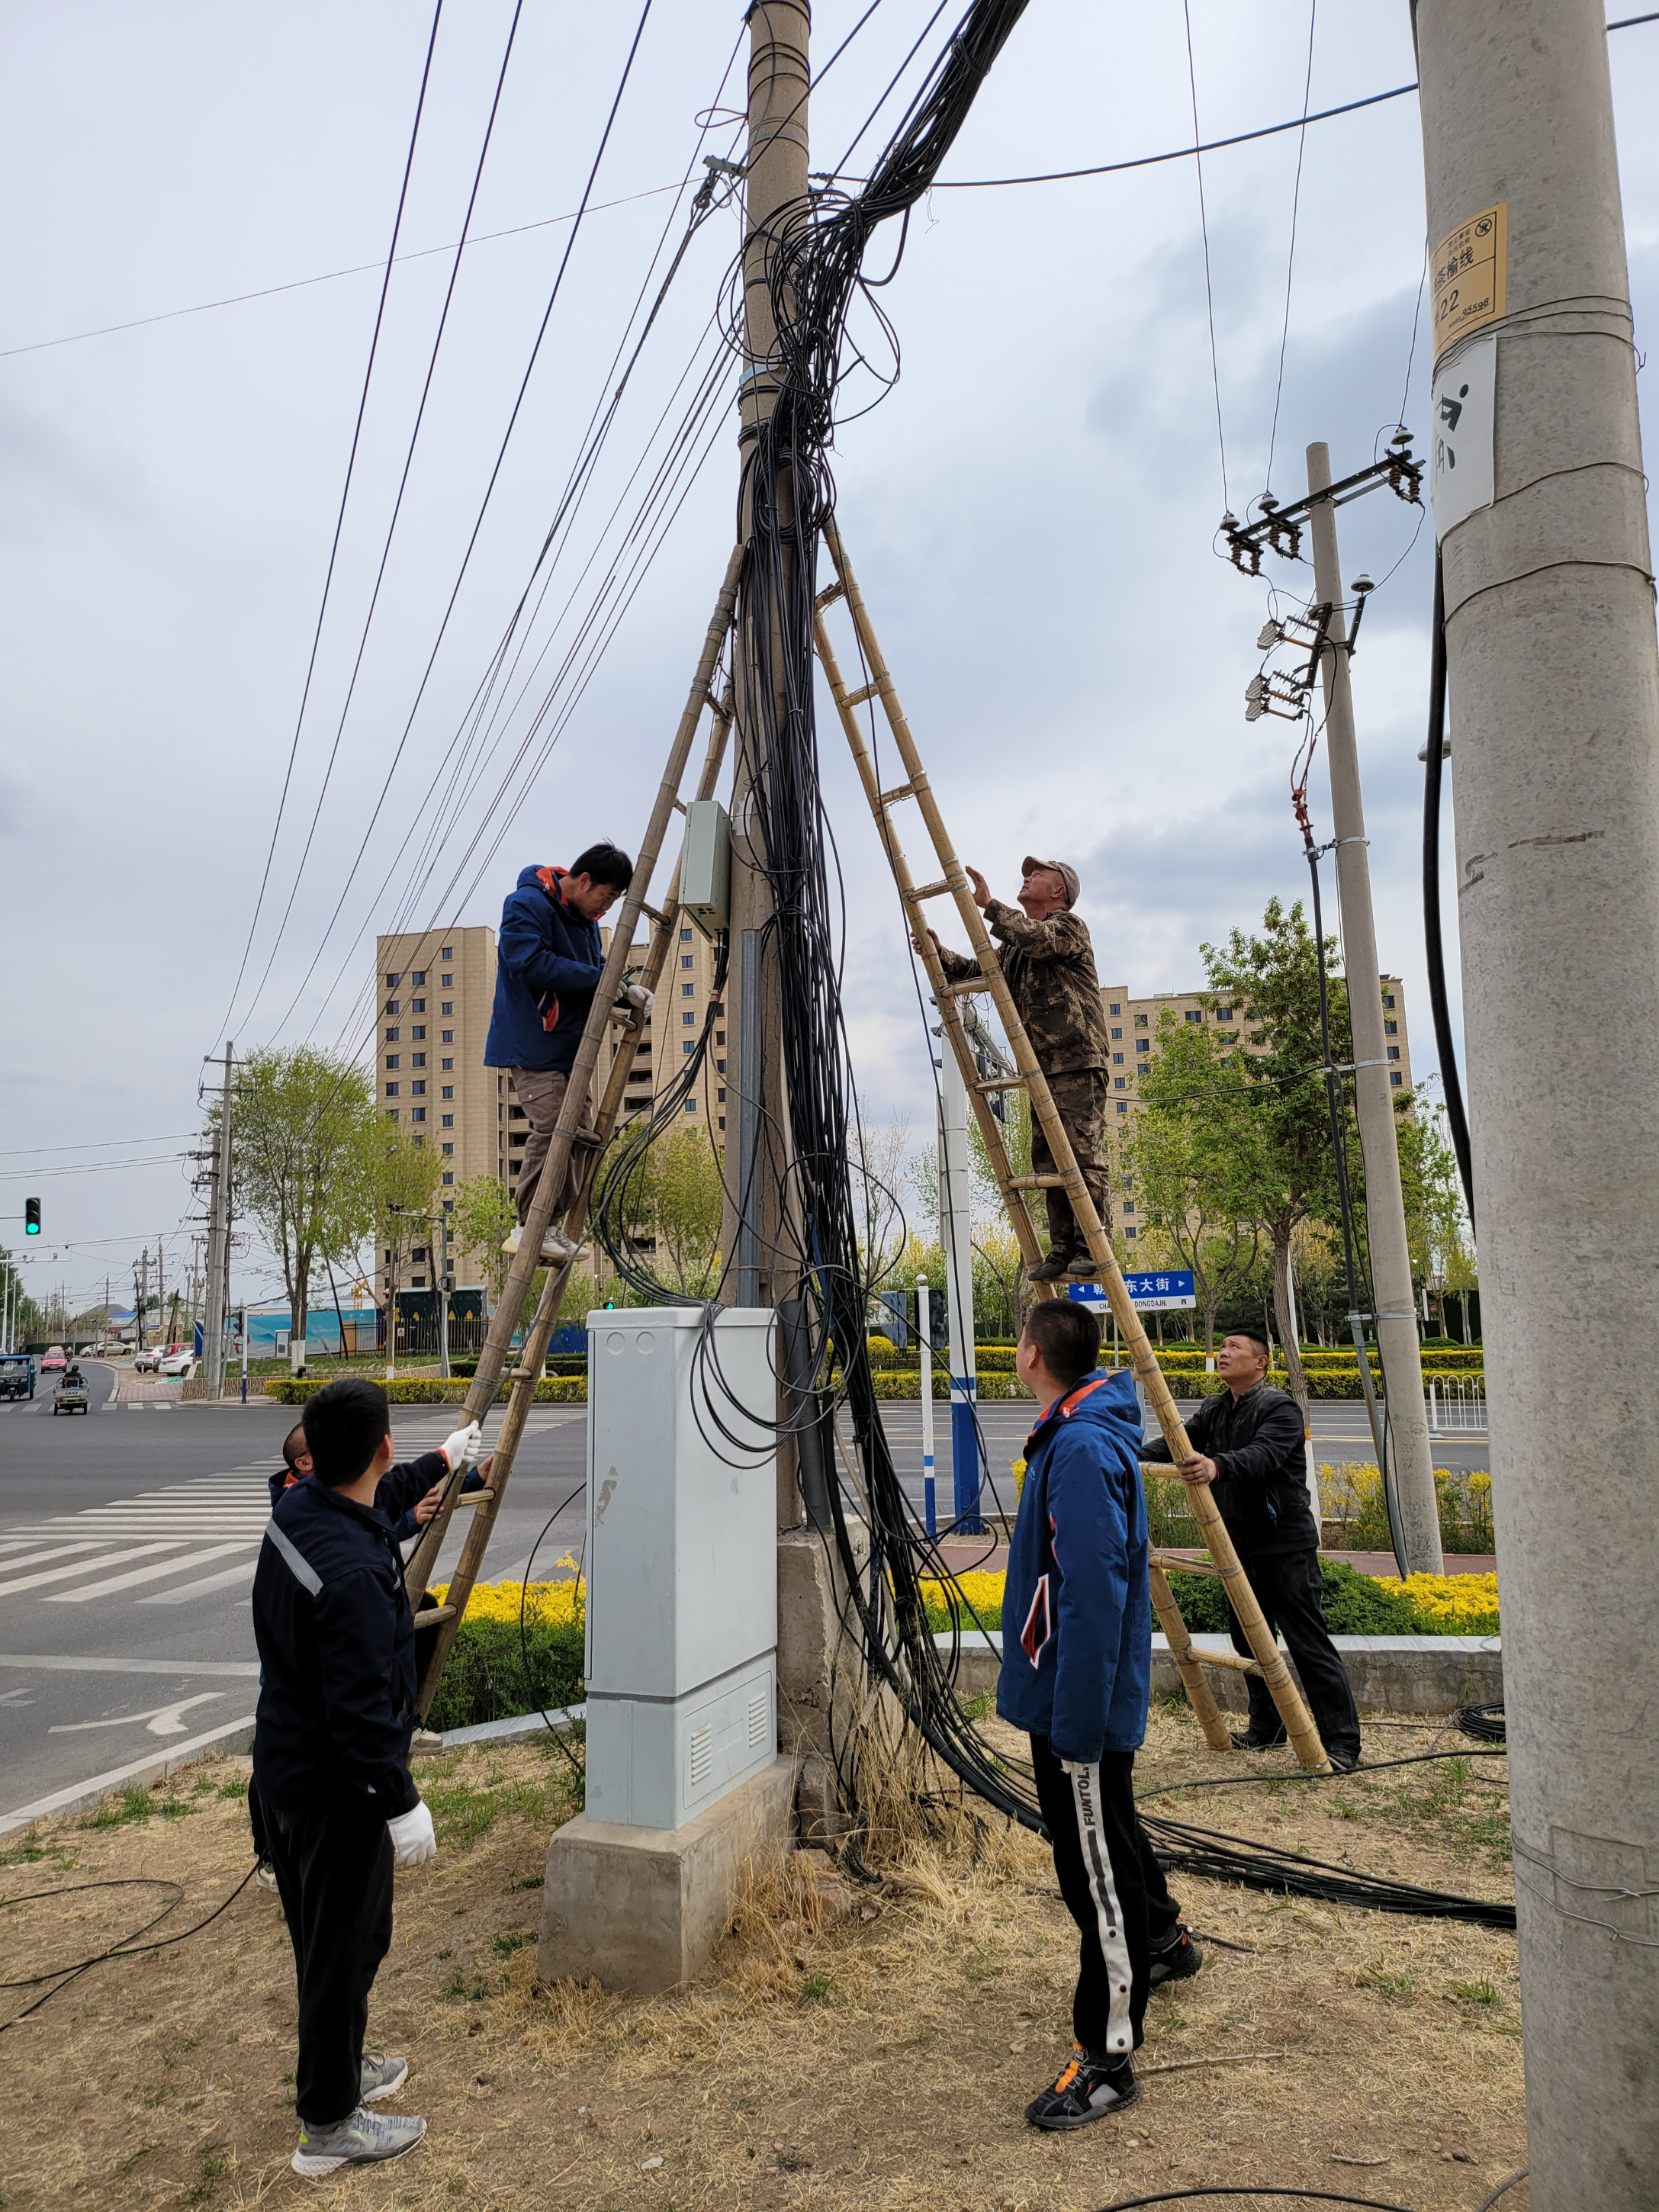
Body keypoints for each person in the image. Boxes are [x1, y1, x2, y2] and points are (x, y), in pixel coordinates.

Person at [252, 1378, 467, 2176]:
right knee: (344, 1950)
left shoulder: (298, 1511)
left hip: (285, 1773)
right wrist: (400, 1802)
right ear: (380, 1446)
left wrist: (445, 1458)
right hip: (335, 1792)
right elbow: (361, 1714)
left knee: (327, 1942)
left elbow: (378, 1497)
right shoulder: (350, 1578)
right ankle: (329, 2125)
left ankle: (341, 2068)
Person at [999, 1299, 1201, 2133]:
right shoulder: (1076, 1431)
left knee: (1094, 1873)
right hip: (1069, 1692)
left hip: (1074, 1703)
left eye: (1018, 1338)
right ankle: (1162, 1942)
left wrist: (1076, 1724)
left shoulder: (1080, 1447)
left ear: (1033, 1353)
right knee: (1108, 1830)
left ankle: (1110, 2059)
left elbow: (1093, 1591)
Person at [1140, 1328, 1362, 1773]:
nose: (1223, 1353)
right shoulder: (1215, 1407)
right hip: (1236, 1543)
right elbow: (1178, 1442)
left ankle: (1342, 1742)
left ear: (1261, 1362)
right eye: (1221, 1346)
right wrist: (1124, 1454)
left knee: (1307, 1642)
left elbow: (1264, 1455)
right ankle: (1268, 1727)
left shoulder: (1279, 1407)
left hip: (1284, 1544)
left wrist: (1216, 1465)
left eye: (1233, 1347)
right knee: (1249, 1640)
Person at [922, 857, 1111, 1281]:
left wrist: (989, 905)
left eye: (1038, 874)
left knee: (1080, 1155)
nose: (1027, 877)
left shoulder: (1068, 927)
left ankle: (1092, 1244)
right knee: (1048, 1160)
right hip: (1039, 1067)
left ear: (1059, 891)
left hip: (1076, 1061)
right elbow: (981, 971)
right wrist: (939, 953)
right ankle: (1063, 1247)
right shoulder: (1015, 947)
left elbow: (1038, 939)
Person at [484, 841, 649, 1265]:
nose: (606, 908)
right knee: (556, 1126)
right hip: (533, 1043)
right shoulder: (528, 904)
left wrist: (622, 988)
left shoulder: (585, 922)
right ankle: (528, 1226)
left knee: (579, 1132)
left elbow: (593, 972)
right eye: (606, 897)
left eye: (614, 901)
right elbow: (529, 962)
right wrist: (603, 981)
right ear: (584, 880)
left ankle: (549, 1226)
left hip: (568, 1046)